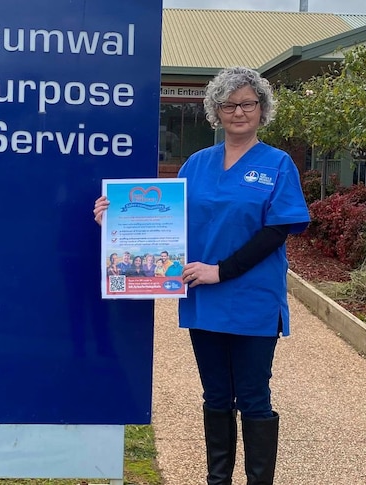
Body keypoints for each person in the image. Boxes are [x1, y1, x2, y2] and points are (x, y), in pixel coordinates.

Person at [94, 66, 310, 485]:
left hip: (252, 299)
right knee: (215, 395)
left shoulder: (278, 165)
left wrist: (221, 271)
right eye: (228, 104)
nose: (238, 111)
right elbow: (165, 222)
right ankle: (218, 480)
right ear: (215, 111)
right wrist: (116, 220)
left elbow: (277, 230)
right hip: (203, 299)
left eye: (247, 103)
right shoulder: (196, 163)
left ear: (262, 109)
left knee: (253, 396)